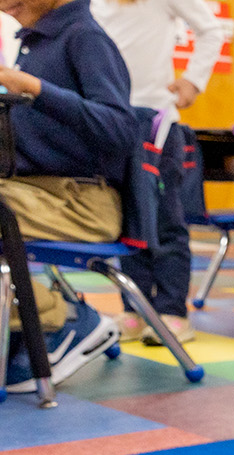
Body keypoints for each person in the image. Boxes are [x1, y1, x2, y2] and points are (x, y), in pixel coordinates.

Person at [0, 0, 140, 392]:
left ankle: (67, 318)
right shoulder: (36, 41)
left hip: (81, 201)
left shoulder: (85, 38)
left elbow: (121, 129)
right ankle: (29, 324)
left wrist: (36, 90)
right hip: (36, 190)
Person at [92, 0, 225, 345]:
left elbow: (212, 29)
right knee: (126, 223)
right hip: (113, 123)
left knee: (165, 220)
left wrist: (194, 81)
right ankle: (135, 308)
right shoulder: (91, 6)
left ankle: (171, 311)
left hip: (157, 124)